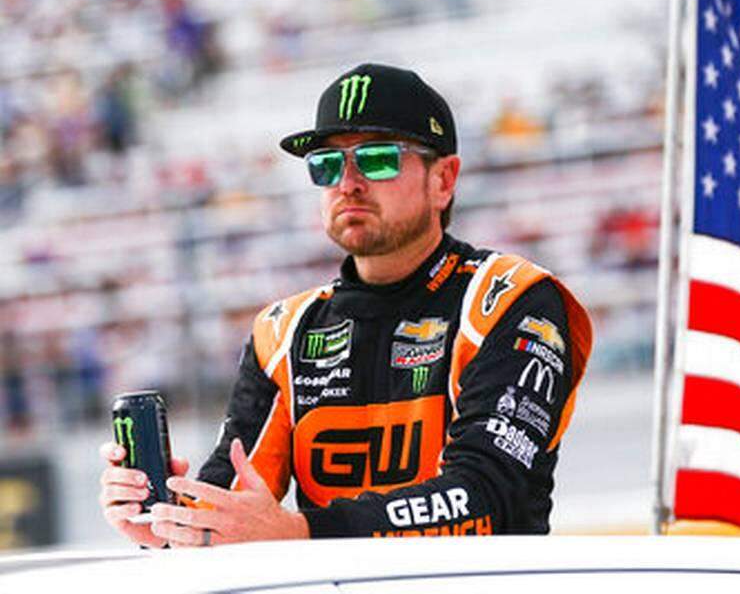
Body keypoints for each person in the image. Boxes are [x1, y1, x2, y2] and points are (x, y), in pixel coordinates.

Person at [98, 63, 593, 547]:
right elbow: (232, 503)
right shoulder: (284, 331)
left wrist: (303, 531)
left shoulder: (510, 299)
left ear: (443, 180)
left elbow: (490, 497)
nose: (348, 182)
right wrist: (166, 524)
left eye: (378, 159)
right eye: (327, 164)